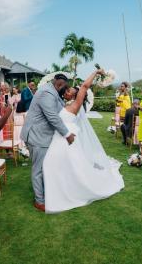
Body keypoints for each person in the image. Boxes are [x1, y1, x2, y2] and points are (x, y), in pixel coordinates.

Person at [43, 68, 125, 213]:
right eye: (67, 91)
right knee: (53, 165)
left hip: (66, 139)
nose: (67, 92)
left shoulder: (76, 105)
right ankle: (59, 191)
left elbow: (85, 86)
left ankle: (67, 193)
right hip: (59, 138)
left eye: (71, 91)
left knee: (59, 165)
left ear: (77, 96)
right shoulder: (63, 104)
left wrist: (95, 72)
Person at [20, 74, 75, 212]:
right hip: (37, 136)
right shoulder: (47, 92)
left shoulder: (52, 91)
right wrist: (67, 134)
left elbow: (60, 109)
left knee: (44, 166)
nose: (66, 91)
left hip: (43, 135)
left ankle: (46, 193)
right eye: (66, 88)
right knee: (38, 169)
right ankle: (39, 201)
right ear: (60, 85)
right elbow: (52, 116)